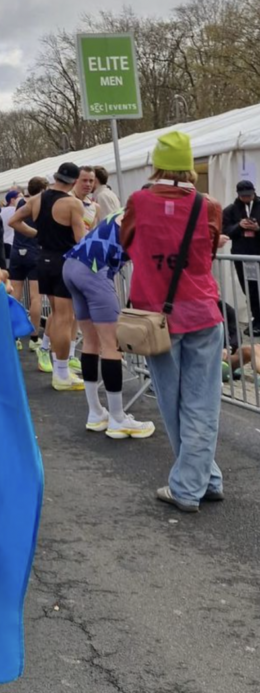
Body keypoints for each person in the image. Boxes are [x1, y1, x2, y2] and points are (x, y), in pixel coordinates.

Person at [120, 131, 225, 512]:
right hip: (202, 309)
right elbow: (208, 251)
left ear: (157, 164)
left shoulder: (138, 201)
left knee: (172, 400)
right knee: (203, 402)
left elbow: (126, 241)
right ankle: (204, 477)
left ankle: (186, 487)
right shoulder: (208, 205)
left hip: (155, 315)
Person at [63, 211, 155, 439]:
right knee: (110, 344)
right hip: (94, 270)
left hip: (72, 265)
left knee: (91, 342)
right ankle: (117, 418)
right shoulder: (146, 217)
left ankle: (96, 413)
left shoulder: (125, 211)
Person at [9, 162, 87, 390]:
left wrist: (37, 234)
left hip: (43, 259)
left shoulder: (36, 199)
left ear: (56, 177)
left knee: (56, 315)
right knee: (65, 318)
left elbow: (13, 221)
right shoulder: (73, 203)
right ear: (73, 182)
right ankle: (61, 373)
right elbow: (81, 241)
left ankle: (59, 368)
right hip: (64, 261)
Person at [10, 178, 47, 354]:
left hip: (17, 251)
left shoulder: (20, 203)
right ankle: (34, 338)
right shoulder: (40, 204)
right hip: (34, 251)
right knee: (35, 297)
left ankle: (14, 336)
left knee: (15, 295)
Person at [221, 179, 260, 335]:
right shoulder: (230, 210)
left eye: (249, 195)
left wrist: (257, 228)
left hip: (257, 251)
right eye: (243, 196)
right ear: (238, 194)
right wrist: (239, 226)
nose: (247, 198)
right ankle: (257, 318)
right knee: (250, 288)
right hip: (243, 254)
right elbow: (225, 231)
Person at [0, 190, 20, 265]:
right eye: (20, 197)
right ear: (12, 200)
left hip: (3, 242)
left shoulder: (0, 211)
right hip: (13, 243)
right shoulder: (16, 210)